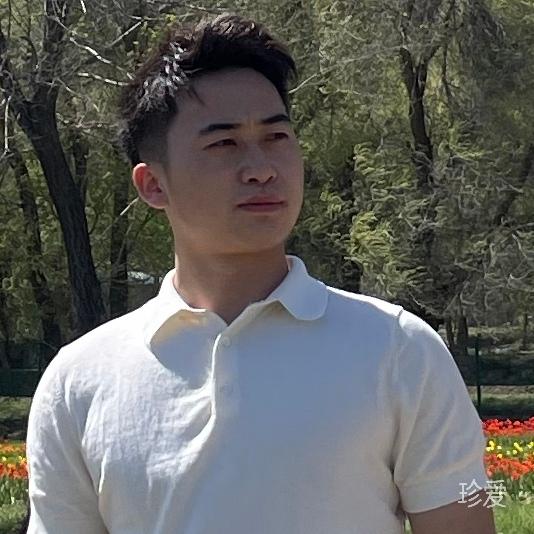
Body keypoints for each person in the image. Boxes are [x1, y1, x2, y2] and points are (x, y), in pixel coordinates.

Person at [25, 13, 497, 534]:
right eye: (224, 144)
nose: (262, 168)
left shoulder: (400, 350)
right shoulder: (79, 382)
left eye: (276, 137)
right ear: (153, 184)